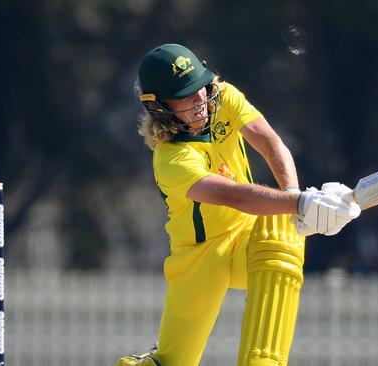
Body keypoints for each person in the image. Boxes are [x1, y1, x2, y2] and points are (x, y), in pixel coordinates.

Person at [117, 43, 361, 366]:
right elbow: (233, 195)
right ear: (159, 106)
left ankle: (263, 360)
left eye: (200, 87)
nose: (201, 99)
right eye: (186, 94)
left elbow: (270, 142)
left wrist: (297, 201)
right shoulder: (171, 159)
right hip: (200, 257)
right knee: (171, 362)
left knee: (281, 230)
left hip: (247, 237)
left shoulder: (224, 97)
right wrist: (299, 203)